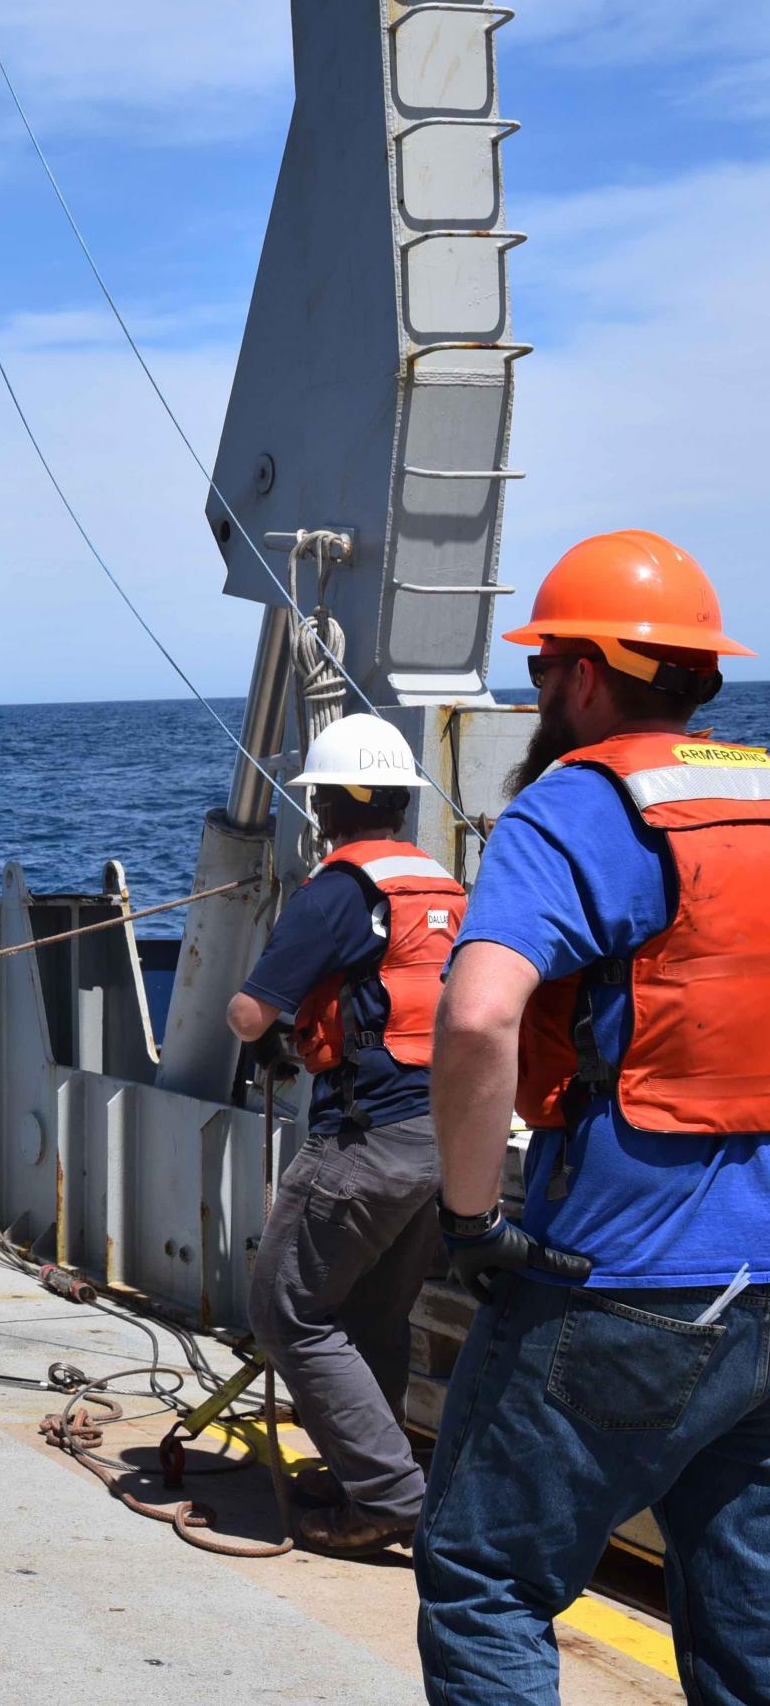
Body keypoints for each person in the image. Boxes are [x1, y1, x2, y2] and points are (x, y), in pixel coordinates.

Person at [420, 530, 770, 1702]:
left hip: (628, 1278)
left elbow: (476, 1019)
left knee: (485, 1577)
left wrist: (471, 1219)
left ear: (580, 673)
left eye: (542, 672)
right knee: (747, 1614)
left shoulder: (583, 806)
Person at [225, 713, 462, 1555]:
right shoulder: (437, 882)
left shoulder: (338, 889)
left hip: (365, 1141)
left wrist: (264, 1034)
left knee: (285, 1307)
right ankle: (365, 1475)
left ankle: (392, 1493)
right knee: (373, 1316)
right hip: (445, 1137)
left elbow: (252, 1008)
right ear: (400, 798)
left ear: (325, 804)